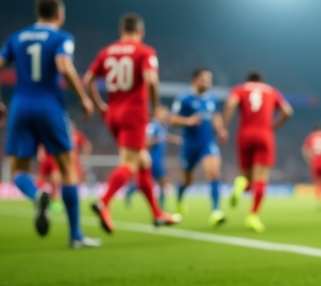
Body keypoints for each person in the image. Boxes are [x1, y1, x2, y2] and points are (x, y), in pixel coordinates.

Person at [0, 0, 100, 248]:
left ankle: (37, 194)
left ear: (38, 13)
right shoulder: (61, 37)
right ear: (59, 14)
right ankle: (76, 236)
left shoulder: (16, 37)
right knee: (68, 170)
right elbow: (63, 66)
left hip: (20, 106)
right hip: (49, 106)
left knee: (18, 171)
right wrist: (83, 97)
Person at [84, 12, 181, 233]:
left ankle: (157, 214)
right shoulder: (145, 51)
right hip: (133, 113)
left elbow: (88, 80)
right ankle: (104, 201)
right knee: (129, 163)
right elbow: (151, 80)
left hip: (112, 114)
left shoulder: (106, 51)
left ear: (120, 31)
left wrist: (99, 104)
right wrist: (156, 107)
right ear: (141, 31)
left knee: (143, 161)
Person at [223, 70, 293, 232]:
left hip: (245, 135)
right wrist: (274, 127)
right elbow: (288, 111)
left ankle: (240, 183)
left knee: (247, 177)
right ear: (262, 80)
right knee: (261, 177)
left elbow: (230, 104)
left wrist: (224, 128)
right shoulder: (271, 91)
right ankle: (253, 217)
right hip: (264, 135)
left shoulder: (240, 89)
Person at [170, 69, 227, 226]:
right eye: (205, 79)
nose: (208, 83)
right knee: (188, 181)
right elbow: (173, 119)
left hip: (208, 144)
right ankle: (180, 198)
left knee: (214, 173)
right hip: (189, 145)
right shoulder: (184, 98)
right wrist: (188, 121)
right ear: (195, 80)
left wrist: (221, 130)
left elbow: (216, 115)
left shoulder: (212, 99)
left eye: (210, 80)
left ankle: (216, 211)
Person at [125, 105, 180, 209]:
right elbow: (145, 142)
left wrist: (175, 139)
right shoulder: (152, 126)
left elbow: (165, 136)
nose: (165, 116)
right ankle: (161, 207)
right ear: (156, 114)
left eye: (166, 114)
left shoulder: (161, 127)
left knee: (152, 182)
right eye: (163, 114)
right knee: (163, 182)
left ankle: (130, 192)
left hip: (158, 160)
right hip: (152, 160)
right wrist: (155, 140)